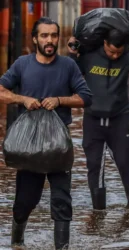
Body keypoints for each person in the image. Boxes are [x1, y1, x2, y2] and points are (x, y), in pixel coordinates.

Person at [0, 17, 92, 249]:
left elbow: (85, 97)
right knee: (25, 201)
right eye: (44, 35)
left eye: (53, 35)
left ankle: (62, 247)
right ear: (35, 39)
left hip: (59, 145)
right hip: (29, 146)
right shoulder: (22, 64)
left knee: (62, 200)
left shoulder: (68, 66)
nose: (49, 40)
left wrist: (60, 100)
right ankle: (17, 242)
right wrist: (23, 99)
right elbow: (1, 91)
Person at [68, 26, 129, 210]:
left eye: (119, 52)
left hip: (119, 119)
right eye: (111, 51)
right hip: (93, 119)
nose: (115, 56)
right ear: (104, 43)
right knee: (95, 165)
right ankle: (98, 210)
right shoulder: (89, 55)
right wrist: (72, 52)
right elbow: (70, 73)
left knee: (125, 163)